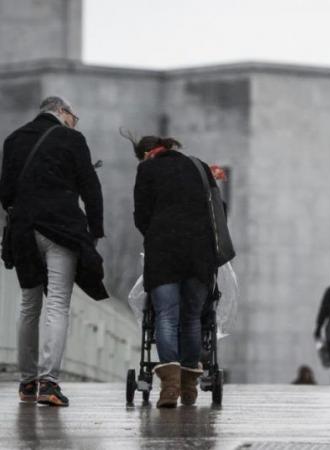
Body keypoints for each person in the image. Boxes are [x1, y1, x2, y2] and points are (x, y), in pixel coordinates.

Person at [0, 96, 108, 407]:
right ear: (61, 111)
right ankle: (48, 382)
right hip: (60, 227)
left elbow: (5, 190)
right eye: (74, 116)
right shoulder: (72, 139)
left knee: (28, 305)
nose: (75, 122)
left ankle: (27, 382)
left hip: (22, 230)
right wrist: (95, 231)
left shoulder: (14, 139)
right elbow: (90, 187)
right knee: (58, 302)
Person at [130, 134, 220, 408]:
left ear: (146, 153)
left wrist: (158, 233)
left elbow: (141, 215)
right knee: (192, 318)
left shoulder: (147, 169)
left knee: (167, 317)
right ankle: (189, 386)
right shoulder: (199, 166)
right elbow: (219, 209)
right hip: (199, 253)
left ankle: (170, 388)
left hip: (164, 251)